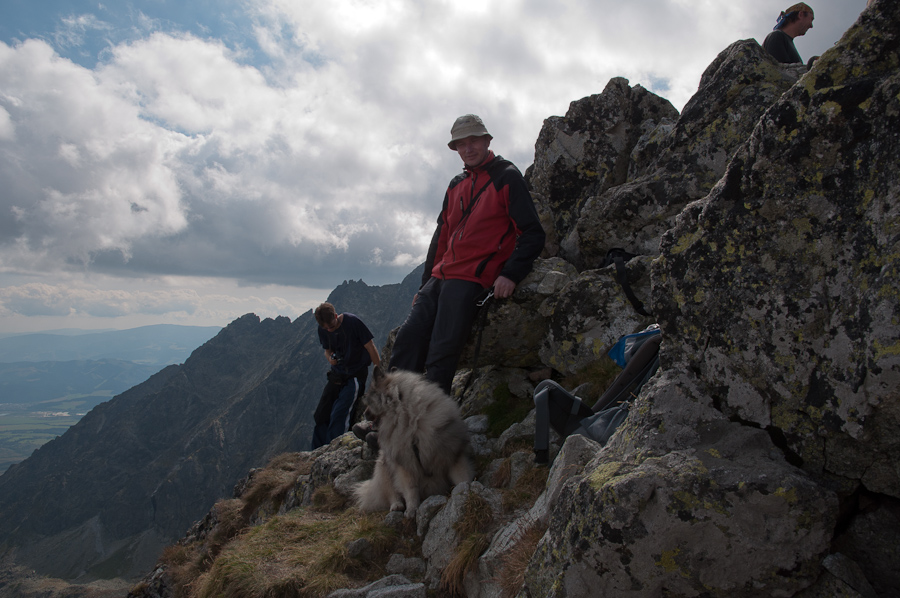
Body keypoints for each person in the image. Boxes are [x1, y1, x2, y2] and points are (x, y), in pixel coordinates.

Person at [388, 114, 546, 396]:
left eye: (473, 140)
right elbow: (442, 237)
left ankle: (430, 428)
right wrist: (425, 283)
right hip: (441, 276)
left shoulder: (507, 177)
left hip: (472, 277)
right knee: (407, 340)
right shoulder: (455, 184)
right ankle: (389, 415)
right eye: (461, 144)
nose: (467, 148)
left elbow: (532, 232)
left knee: (441, 350)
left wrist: (510, 274)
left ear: (487, 141)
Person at [310, 302, 381, 450]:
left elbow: (370, 346)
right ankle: (316, 450)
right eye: (326, 328)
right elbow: (327, 350)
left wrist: (378, 371)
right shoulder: (323, 329)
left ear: (336, 316)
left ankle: (334, 449)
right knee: (321, 414)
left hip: (355, 376)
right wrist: (330, 359)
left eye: (332, 326)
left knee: (340, 413)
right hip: (337, 375)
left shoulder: (352, 322)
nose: (329, 329)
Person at [763, 3, 818, 67]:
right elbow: (778, 71)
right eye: (811, 19)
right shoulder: (776, 36)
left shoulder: (783, 39)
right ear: (801, 15)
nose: (811, 26)